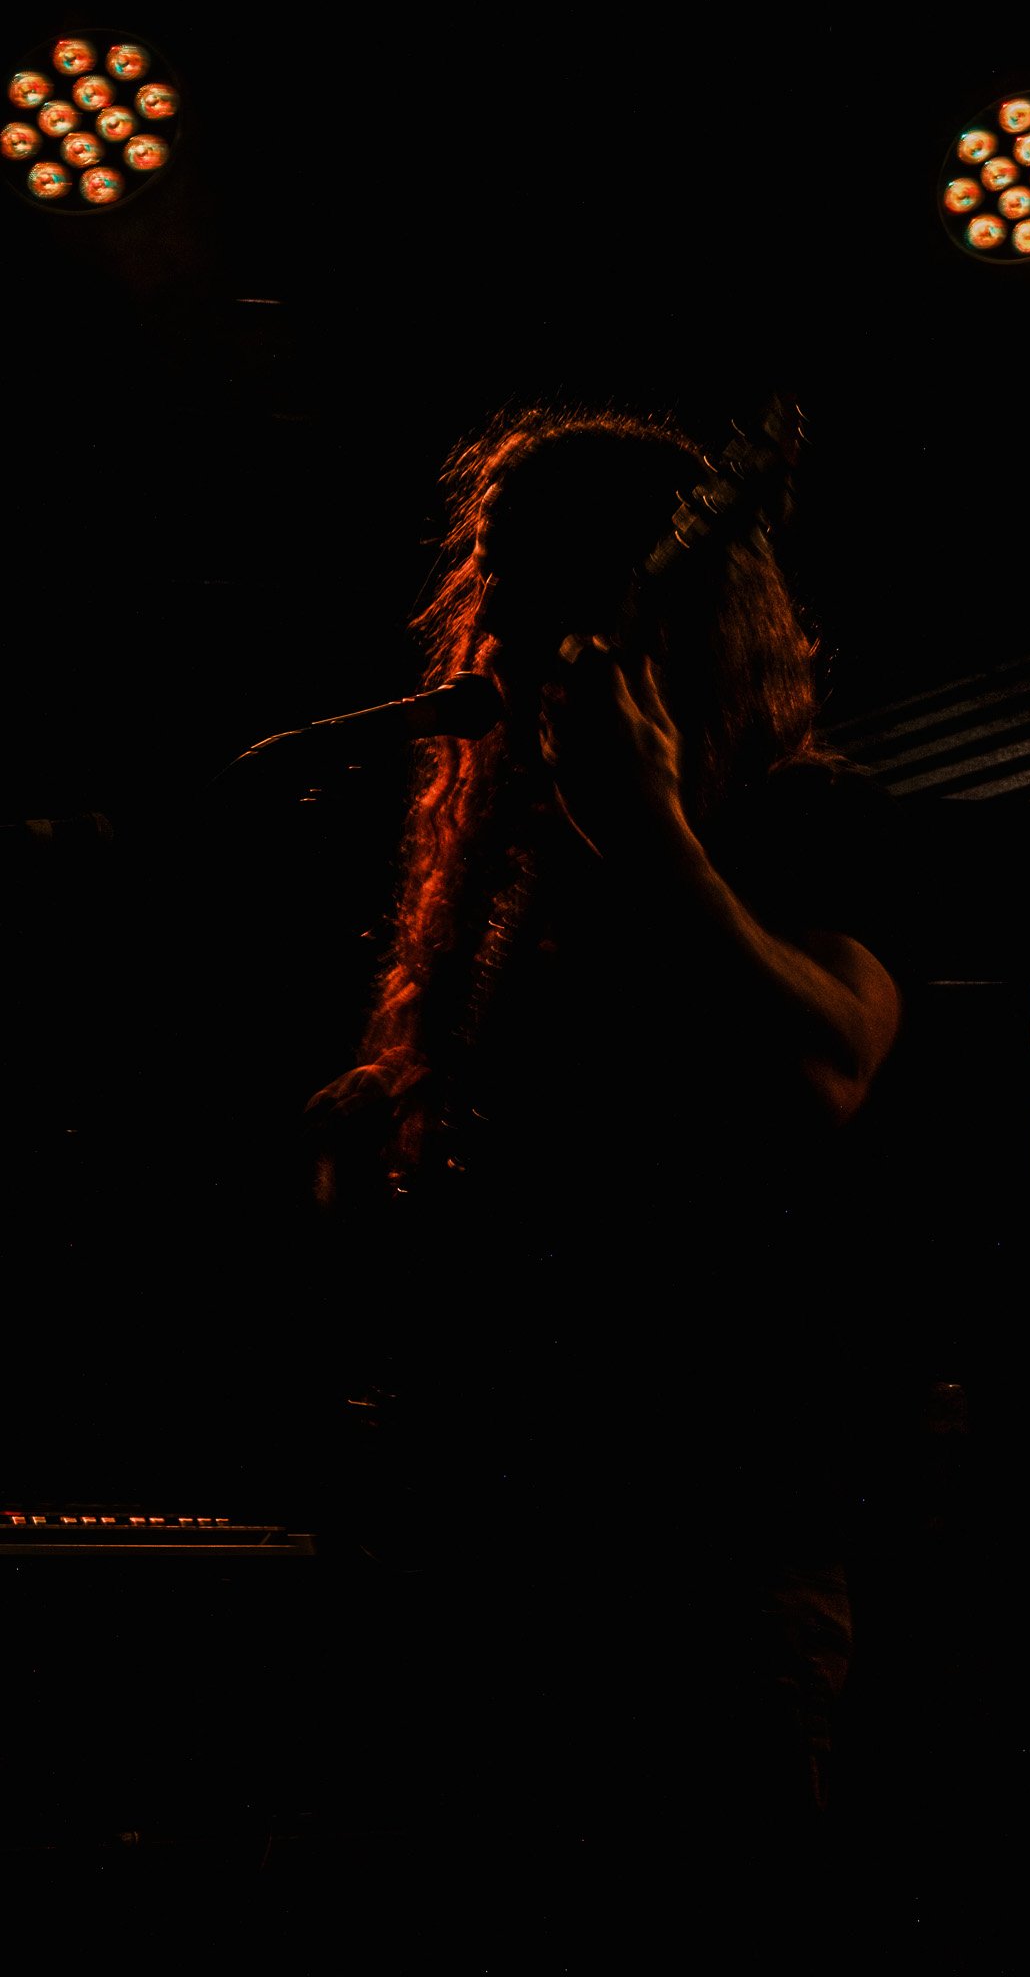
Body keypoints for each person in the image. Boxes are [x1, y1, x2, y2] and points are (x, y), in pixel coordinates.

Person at [304, 399, 907, 1930]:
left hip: (704, 1554)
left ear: (664, 605)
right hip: (500, 1535)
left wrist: (649, 829)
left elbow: (827, 1059)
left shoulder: (793, 818)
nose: (503, 619)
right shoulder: (507, 852)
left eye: (544, 578)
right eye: (491, 579)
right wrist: (383, 1138)